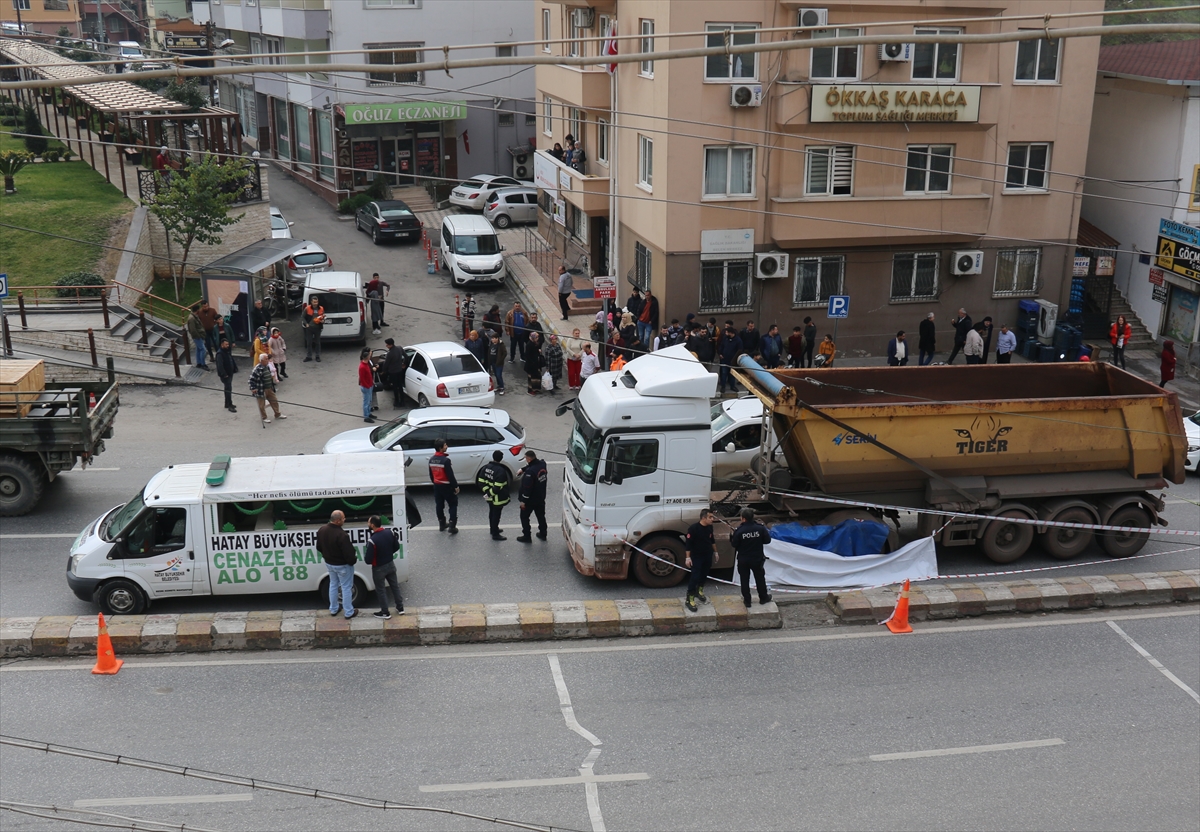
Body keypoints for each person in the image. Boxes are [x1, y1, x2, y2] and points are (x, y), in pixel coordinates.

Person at [316, 510, 357, 619]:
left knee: (333, 585)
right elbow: (349, 554)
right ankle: (349, 612)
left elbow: (318, 547)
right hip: (343, 565)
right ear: (338, 521)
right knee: (346, 587)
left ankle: (333, 609)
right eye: (343, 518)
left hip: (329, 564)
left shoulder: (322, 530)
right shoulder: (342, 535)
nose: (345, 520)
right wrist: (353, 561)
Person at [730, 508, 772, 608]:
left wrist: (731, 536)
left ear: (743, 518)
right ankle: (763, 598)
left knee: (744, 580)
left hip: (743, 560)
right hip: (757, 559)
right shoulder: (760, 528)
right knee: (760, 579)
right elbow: (767, 541)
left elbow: (734, 544)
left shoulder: (739, 531)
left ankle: (747, 601)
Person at [364, 515, 403, 619]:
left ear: (372, 525)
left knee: (381, 590)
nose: (368, 524)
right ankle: (400, 607)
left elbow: (368, 559)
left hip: (378, 568)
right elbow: (396, 546)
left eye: (368, 523)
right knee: (395, 586)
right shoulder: (389, 532)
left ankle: (385, 612)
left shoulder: (372, 540)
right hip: (390, 564)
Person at [683, 508, 716, 613]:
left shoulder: (710, 528)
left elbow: (712, 540)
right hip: (697, 556)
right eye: (710, 517)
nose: (712, 519)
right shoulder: (693, 529)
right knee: (695, 576)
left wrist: (716, 552)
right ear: (703, 518)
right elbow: (688, 544)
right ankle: (690, 598)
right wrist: (688, 557)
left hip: (707, 555)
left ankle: (699, 591)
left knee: (704, 574)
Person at [476, 450, 512, 541]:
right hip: (498, 498)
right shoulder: (501, 471)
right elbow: (498, 487)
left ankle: (493, 529)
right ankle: (495, 534)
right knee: (496, 515)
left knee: (492, 513)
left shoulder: (486, 467)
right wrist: (490, 494)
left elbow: (480, 481)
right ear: (501, 459)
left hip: (490, 498)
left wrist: (487, 493)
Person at [516, 450, 548, 543]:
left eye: (526, 458)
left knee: (524, 517)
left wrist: (523, 502)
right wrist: (523, 469)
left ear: (529, 459)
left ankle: (527, 536)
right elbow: (534, 465)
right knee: (541, 516)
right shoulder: (542, 464)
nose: (525, 460)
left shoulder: (530, 473)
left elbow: (527, 489)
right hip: (541, 497)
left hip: (530, 500)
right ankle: (543, 533)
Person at [429, 439, 459, 534]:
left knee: (439, 505)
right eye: (445, 445)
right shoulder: (446, 461)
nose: (447, 447)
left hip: (437, 486)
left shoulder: (431, 459)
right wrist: (455, 486)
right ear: (440, 448)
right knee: (453, 504)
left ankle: (442, 524)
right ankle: (452, 526)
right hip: (447, 486)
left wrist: (435, 483)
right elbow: (450, 475)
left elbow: (431, 475)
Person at [249, 354, 285, 425]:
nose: (267, 360)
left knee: (274, 400)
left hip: (269, 388)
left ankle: (277, 414)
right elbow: (251, 380)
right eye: (266, 359)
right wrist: (253, 388)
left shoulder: (267, 366)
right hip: (261, 390)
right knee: (261, 405)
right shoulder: (257, 369)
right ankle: (264, 417)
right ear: (262, 360)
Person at [717, 323, 743, 394]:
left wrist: (735, 359)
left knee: (732, 374)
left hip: (732, 361)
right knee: (724, 373)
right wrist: (720, 353)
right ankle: (723, 386)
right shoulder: (725, 338)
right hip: (724, 359)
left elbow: (740, 350)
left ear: (731, 333)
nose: (725, 333)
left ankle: (732, 386)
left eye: (727, 332)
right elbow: (721, 346)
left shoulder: (738, 340)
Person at [215, 338, 238, 412]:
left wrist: (234, 368)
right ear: (222, 345)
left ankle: (227, 403)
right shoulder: (220, 354)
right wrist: (224, 374)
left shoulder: (227, 351)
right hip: (225, 375)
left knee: (227, 388)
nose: (228, 346)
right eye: (226, 344)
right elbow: (220, 365)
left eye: (228, 344)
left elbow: (231, 360)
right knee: (228, 389)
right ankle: (230, 405)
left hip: (230, 373)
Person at [382, 337, 407, 406]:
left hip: (393, 372)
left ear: (390, 345)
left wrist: (383, 371)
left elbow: (386, 364)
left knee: (395, 387)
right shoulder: (399, 348)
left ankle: (397, 401)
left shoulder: (390, 353)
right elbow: (406, 356)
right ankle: (402, 401)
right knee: (400, 386)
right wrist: (404, 363)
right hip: (399, 370)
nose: (386, 346)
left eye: (387, 345)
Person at [302, 296, 325, 362]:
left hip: (318, 328)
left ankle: (317, 356)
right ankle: (309, 356)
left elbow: (323, 316)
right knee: (309, 342)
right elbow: (303, 317)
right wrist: (306, 324)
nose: (315, 303)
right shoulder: (307, 308)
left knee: (317, 342)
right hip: (309, 328)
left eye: (317, 302)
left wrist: (323, 321)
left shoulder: (321, 308)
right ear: (311, 302)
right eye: (314, 302)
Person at [186, 304, 208, 369]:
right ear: (197, 310)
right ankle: (203, 364)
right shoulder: (192, 318)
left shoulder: (194, 316)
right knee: (203, 350)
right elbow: (193, 330)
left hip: (199, 336)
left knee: (198, 349)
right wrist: (198, 336)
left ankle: (199, 363)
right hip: (197, 337)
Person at [358, 348, 376, 423]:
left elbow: (368, 375)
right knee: (366, 402)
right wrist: (367, 385)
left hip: (369, 385)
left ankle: (369, 413)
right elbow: (362, 378)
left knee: (369, 401)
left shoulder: (365, 364)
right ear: (367, 357)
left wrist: (371, 382)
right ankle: (366, 416)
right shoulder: (362, 367)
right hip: (366, 387)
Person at [525, 330, 545, 395]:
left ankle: (536, 389)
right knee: (531, 378)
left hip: (536, 364)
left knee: (537, 377)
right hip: (531, 365)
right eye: (536, 337)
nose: (537, 339)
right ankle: (530, 390)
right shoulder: (529, 344)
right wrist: (533, 362)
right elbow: (528, 355)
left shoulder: (535, 343)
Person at [487, 330, 507, 395]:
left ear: (497, 338)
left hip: (498, 363)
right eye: (492, 338)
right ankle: (499, 386)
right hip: (493, 363)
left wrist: (500, 360)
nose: (492, 340)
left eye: (494, 338)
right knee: (496, 375)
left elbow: (505, 353)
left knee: (499, 375)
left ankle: (502, 388)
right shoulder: (492, 344)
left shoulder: (501, 345)